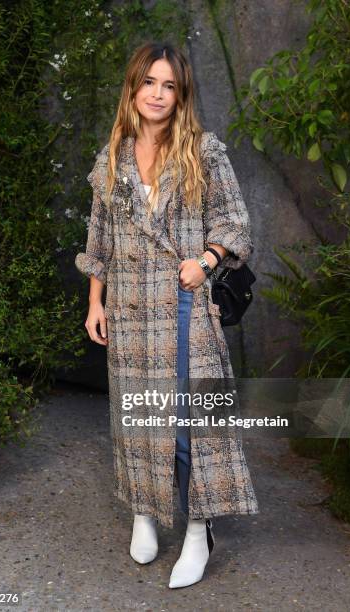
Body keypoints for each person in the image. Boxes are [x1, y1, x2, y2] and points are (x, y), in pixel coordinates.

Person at [75, 41, 259, 589]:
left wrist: (206, 261)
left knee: (191, 422)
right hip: (130, 307)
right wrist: (94, 300)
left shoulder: (204, 150)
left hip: (183, 304)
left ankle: (199, 530)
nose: (157, 94)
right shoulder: (112, 158)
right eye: (148, 82)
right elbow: (99, 239)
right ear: (134, 88)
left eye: (169, 85)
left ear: (181, 94)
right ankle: (144, 513)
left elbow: (235, 222)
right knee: (138, 417)